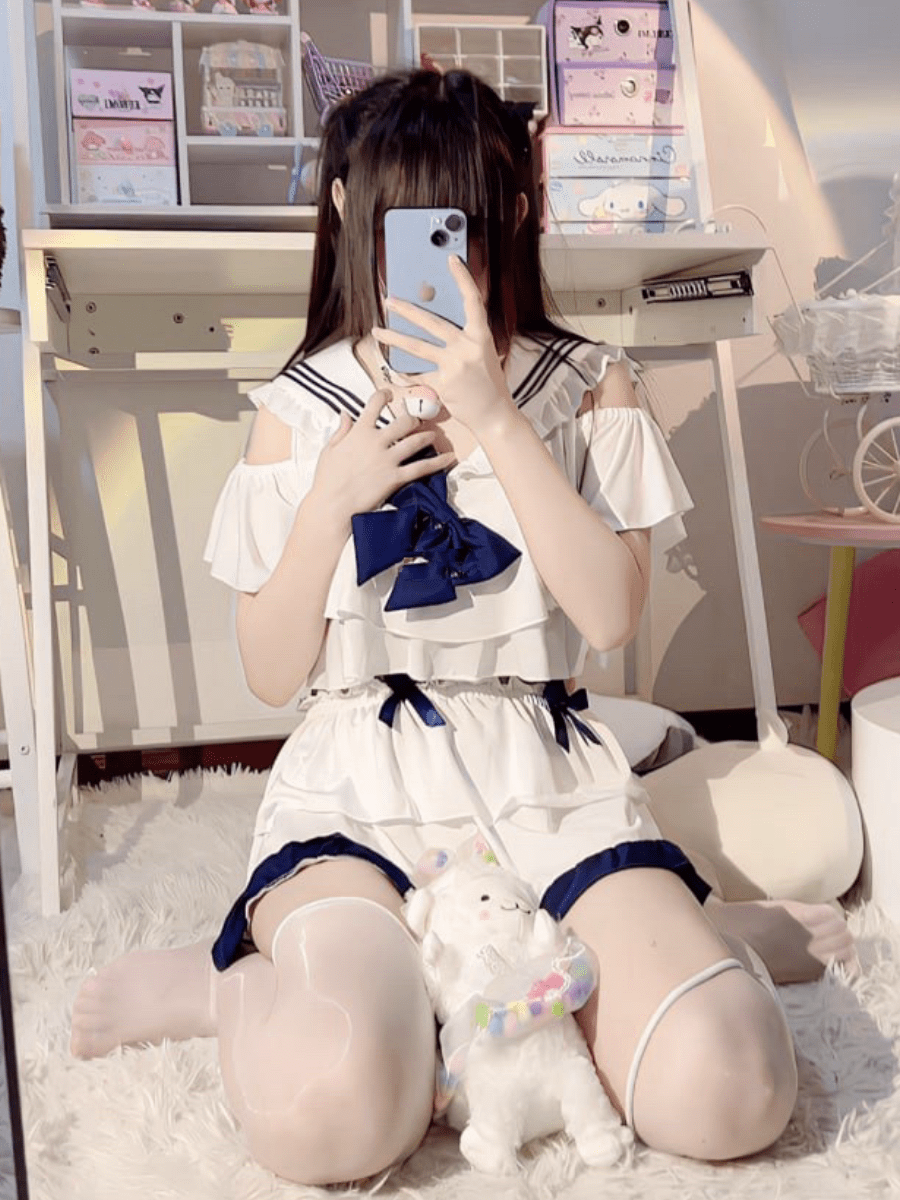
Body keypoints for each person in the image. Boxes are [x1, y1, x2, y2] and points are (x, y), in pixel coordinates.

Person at [70, 68, 855, 1186]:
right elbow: (270, 671)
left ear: (514, 213)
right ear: (345, 211)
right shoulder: (300, 410)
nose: (430, 257)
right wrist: (330, 502)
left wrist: (496, 418)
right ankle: (223, 983)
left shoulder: (591, 387)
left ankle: (694, 937)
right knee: (332, 1118)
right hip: (360, 778)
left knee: (733, 1090)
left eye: (457, 224)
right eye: (398, 221)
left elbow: (610, 614)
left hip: (545, 774)